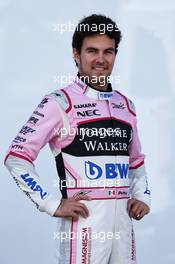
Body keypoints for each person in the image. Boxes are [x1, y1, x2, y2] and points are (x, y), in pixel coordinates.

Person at [4, 14, 151, 264]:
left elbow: (135, 161)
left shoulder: (126, 105)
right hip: (84, 226)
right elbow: (16, 157)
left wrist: (142, 197)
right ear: (76, 54)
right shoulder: (59, 102)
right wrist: (50, 203)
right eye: (92, 51)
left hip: (124, 227)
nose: (101, 59)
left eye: (109, 51)